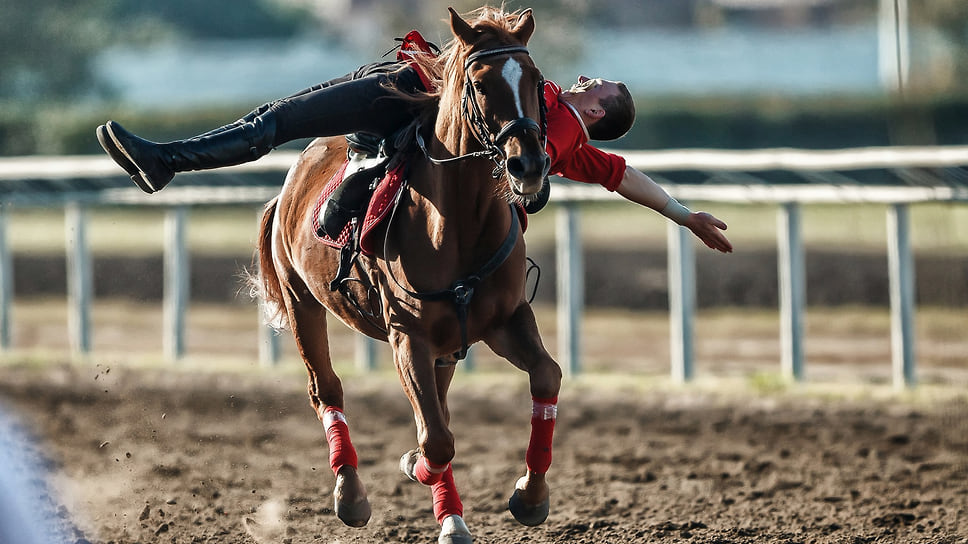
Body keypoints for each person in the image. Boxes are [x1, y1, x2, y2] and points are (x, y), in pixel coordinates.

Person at [97, 49, 732, 254]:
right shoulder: (544, 113)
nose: (592, 81)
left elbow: (625, 175)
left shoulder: (562, 126)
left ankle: (166, 161)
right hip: (409, 112)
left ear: (598, 113)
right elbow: (630, 179)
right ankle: (165, 159)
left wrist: (685, 216)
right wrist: (687, 216)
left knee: (275, 123)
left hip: (400, 99)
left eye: (602, 88)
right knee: (273, 124)